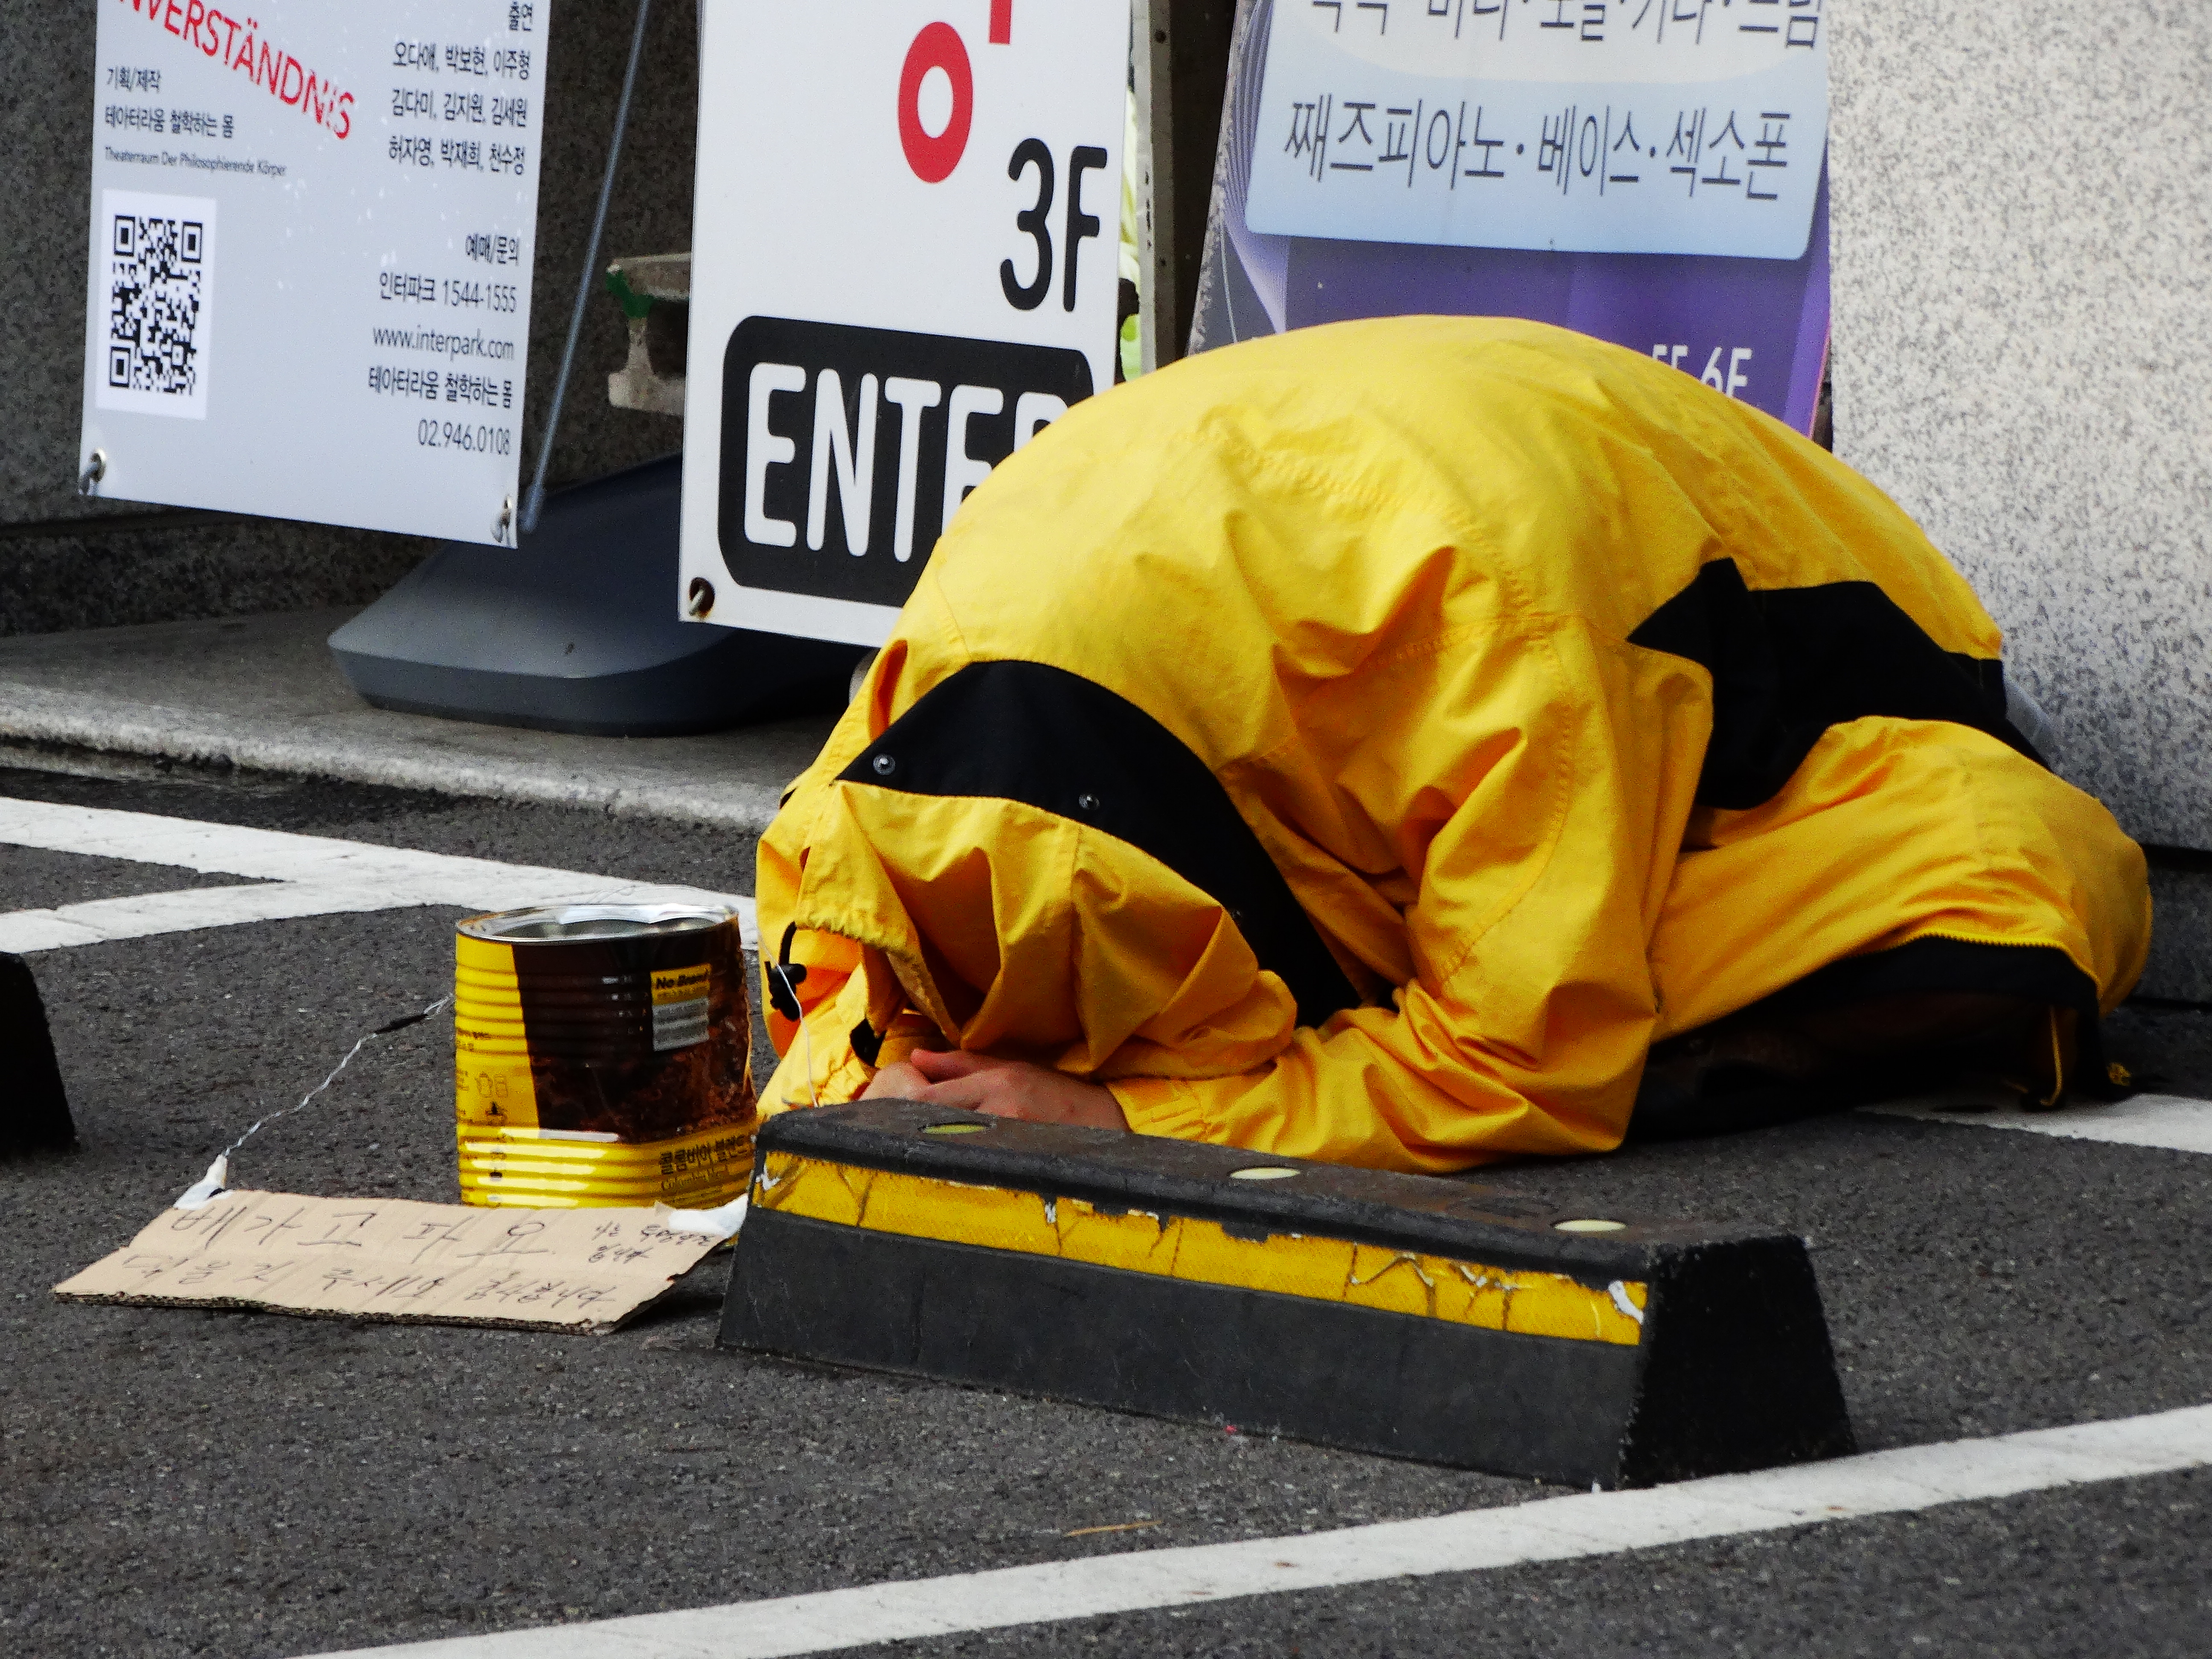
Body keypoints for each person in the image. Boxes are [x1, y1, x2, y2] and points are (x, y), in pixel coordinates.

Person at [753, 316, 2150, 1172]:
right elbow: (834, 933)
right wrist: (880, 1072)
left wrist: (1128, 1128)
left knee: (2035, 886)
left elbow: (1521, 1061)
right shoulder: (954, 648)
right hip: (1364, 635)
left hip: (1764, 723)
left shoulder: (1497, 633)